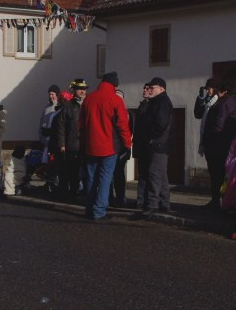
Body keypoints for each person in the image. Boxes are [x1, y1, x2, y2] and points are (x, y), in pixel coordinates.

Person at [79, 72, 132, 221]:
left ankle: (89, 209)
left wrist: (84, 142)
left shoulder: (89, 99)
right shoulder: (115, 100)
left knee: (91, 178)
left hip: (90, 146)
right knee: (105, 178)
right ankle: (99, 210)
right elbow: (122, 125)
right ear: (114, 85)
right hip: (109, 147)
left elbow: (81, 125)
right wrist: (127, 144)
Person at [133, 77, 174, 214]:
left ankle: (152, 204)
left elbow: (160, 125)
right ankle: (164, 203)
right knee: (161, 175)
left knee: (154, 174)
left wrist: (151, 136)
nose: (150, 90)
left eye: (153, 87)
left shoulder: (162, 102)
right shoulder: (157, 102)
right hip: (158, 144)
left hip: (158, 144)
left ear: (161, 88)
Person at [203, 80, 236, 210]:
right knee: (227, 175)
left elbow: (218, 126)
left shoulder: (223, 104)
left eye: (218, 90)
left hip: (218, 145)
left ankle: (217, 201)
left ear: (224, 91)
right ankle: (226, 201)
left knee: (217, 175)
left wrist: (208, 137)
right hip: (230, 145)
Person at [55, 79, 87, 201]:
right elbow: (61, 126)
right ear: (74, 90)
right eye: (80, 89)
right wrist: (62, 144)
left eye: (84, 89)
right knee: (73, 172)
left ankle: (87, 194)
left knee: (87, 172)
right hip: (72, 145)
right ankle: (73, 193)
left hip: (87, 145)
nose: (82, 91)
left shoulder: (89, 103)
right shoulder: (67, 106)